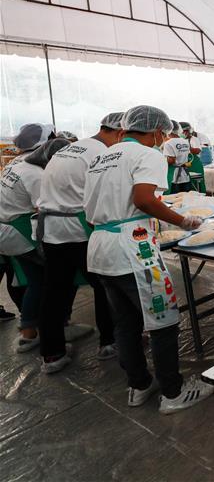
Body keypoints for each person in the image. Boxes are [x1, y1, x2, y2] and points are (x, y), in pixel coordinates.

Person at [83, 105, 212, 414]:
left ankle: (139, 385)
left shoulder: (103, 155)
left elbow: (92, 207)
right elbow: (143, 198)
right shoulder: (148, 154)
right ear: (155, 131)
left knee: (125, 322)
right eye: (162, 135)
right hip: (133, 249)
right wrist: (181, 221)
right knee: (163, 320)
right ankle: (173, 392)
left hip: (100, 246)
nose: (162, 139)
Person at [37, 113, 123, 374]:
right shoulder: (100, 154)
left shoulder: (72, 148)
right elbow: (107, 195)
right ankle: (109, 342)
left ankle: (52, 354)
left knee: (54, 292)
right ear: (120, 133)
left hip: (52, 231)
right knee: (105, 285)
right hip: (79, 229)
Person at [0, 123, 57, 352]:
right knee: (44, 280)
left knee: (34, 280)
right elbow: (43, 207)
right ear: (43, 145)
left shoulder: (15, 164)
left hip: (8, 231)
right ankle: (40, 328)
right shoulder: (35, 172)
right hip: (20, 232)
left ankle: (30, 330)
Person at [162, 121, 191, 194]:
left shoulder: (169, 143)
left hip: (174, 176)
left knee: (174, 199)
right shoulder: (185, 141)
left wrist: (160, 160)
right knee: (184, 198)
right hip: (185, 175)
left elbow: (171, 161)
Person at [179, 122, 206, 192]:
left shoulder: (194, 139)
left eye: (186, 131)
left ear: (189, 131)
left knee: (197, 185)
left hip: (195, 165)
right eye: (183, 131)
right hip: (185, 166)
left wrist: (187, 148)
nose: (184, 133)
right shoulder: (180, 140)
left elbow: (197, 150)